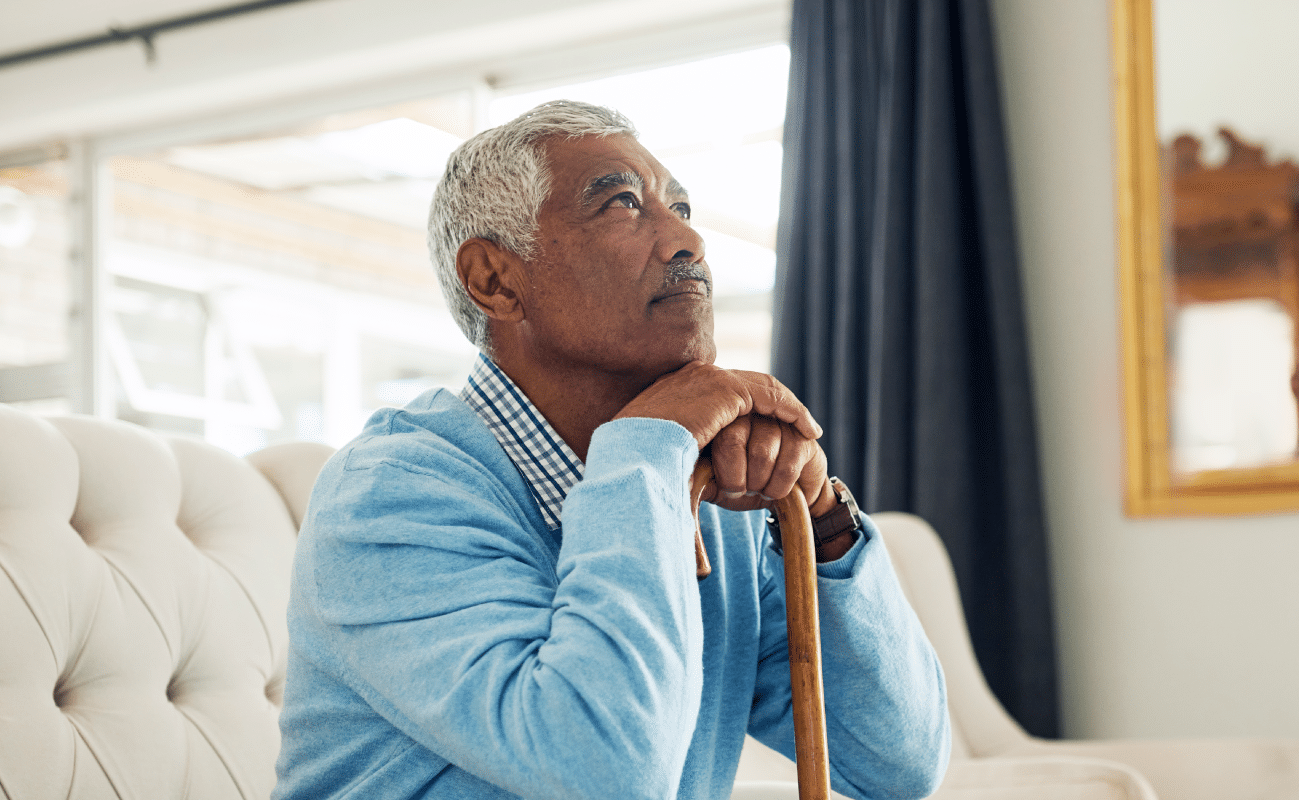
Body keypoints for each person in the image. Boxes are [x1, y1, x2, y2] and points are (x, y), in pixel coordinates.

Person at [273, 100, 950, 800]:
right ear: (494, 280)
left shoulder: (716, 496)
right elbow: (604, 774)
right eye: (624, 203)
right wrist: (642, 449)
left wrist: (822, 516)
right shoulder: (388, 497)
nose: (688, 238)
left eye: (681, 205)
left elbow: (899, 765)